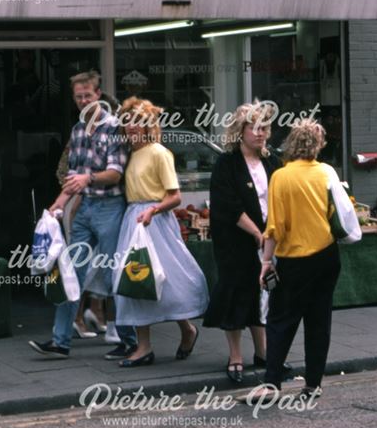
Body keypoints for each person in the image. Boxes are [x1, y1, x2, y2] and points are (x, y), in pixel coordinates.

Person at [29, 70, 138, 360]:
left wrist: (86, 180)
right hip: (85, 208)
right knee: (69, 272)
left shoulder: (115, 127)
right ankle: (60, 341)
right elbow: (73, 177)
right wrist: (58, 204)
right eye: (78, 97)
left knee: (115, 272)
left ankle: (131, 340)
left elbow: (115, 173)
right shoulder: (78, 130)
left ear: (98, 95)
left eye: (87, 95)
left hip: (110, 208)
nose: (82, 101)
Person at [245, 118, 340, 404]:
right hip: (326, 256)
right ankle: (313, 385)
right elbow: (336, 214)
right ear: (318, 145)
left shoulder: (282, 177)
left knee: (280, 321)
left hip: (294, 259)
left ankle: (271, 382)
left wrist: (266, 261)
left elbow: (275, 226)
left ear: (292, 143)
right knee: (318, 320)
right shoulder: (326, 172)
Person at [113, 97, 209, 367]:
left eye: (138, 122)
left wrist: (152, 211)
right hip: (134, 221)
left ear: (148, 126)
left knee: (166, 279)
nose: (131, 127)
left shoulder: (158, 152)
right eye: (128, 122)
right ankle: (143, 347)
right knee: (136, 281)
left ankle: (187, 328)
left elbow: (175, 197)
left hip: (155, 222)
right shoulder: (132, 155)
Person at [204, 102, 283, 384]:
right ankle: (235, 356)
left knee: (263, 295)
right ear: (241, 131)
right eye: (255, 127)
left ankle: (263, 353)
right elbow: (229, 206)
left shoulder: (272, 161)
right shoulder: (227, 163)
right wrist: (256, 233)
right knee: (236, 294)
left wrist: (272, 233)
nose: (261, 133)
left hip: (268, 240)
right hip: (236, 241)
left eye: (265, 127)